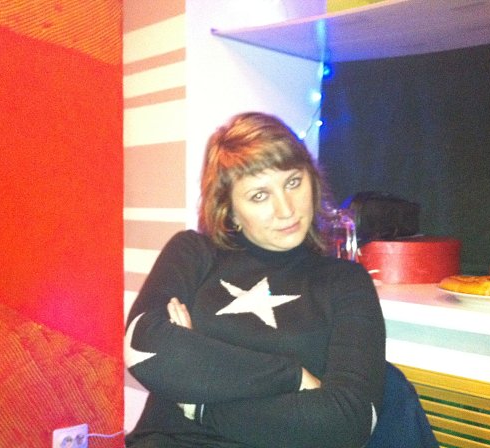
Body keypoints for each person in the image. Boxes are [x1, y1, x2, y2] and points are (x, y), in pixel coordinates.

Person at [124, 112, 386, 448]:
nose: (286, 209)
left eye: (293, 182)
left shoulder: (346, 282)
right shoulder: (195, 252)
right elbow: (144, 348)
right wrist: (293, 377)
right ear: (230, 209)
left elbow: (349, 423)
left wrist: (197, 401)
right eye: (259, 195)